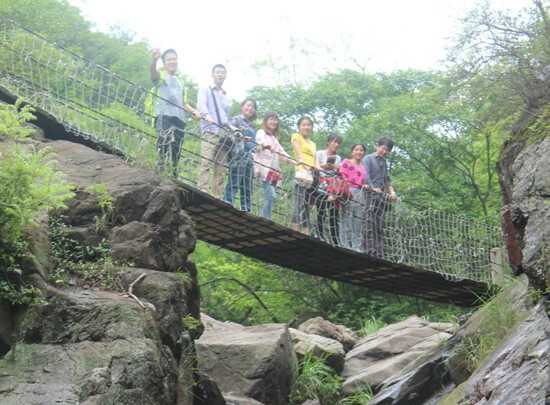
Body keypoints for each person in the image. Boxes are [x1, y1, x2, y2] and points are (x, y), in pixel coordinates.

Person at [149, 48, 201, 175]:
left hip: (179, 119)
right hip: (164, 115)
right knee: (163, 143)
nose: (172, 62)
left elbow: (184, 103)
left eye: (174, 59)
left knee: (176, 148)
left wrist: (194, 112)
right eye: (169, 60)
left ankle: (173, 174)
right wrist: (154, 60)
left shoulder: (180, 82)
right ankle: (159, 171)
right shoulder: (161, 76)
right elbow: (153, 72)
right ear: (164, 62)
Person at [197, 64, 230, 198]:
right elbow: (201, 105)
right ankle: (203, 188)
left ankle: (217, 195)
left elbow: (226, 116)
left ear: (225, 76)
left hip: (223, 133)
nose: (220, 75)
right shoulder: (206, 89)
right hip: (210, 129)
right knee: (206, 160)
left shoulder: (225, 96)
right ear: (212, 74)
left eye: (222, 72)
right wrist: (207, 116)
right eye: (217, 72)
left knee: (221, 166)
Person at [362, 136, 398, 258]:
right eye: (382, 148)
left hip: (380, 199)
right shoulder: (368, 158)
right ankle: (369, 250)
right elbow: (366, 175)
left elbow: (387, 180)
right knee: (369, 223)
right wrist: (373, 188)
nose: (384, 151)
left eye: (387, 150)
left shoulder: (384, 164)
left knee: (379, 225)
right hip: (368, 196)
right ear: (377, 147)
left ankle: (379, 253)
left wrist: (392, 193)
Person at [254, 112, 294, 220]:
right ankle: (264, 219)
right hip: (263, 169)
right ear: (266, 121)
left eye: (275, 120)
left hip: (273, 172)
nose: (273, 122)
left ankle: (267, 218)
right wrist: (266, 145)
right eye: (271, 119)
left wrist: (293, 161)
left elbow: (281, 151)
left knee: (270, 196)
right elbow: (260, 140)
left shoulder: (274, 138)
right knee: (271, 195)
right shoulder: (261, 132)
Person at [224, 98, 258, 212]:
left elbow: (254, 145)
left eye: (252, 107)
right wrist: (240, 137)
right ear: (242, 107)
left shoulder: (251, 126)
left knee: (247, 186)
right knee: (234, 180)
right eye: (248, 105)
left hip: (249, 156)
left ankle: (246, 208)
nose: (250, 108)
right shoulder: (236, 119)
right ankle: (228, 202)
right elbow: (230, 132)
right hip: (238, 153)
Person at [290, 116, 320, 235]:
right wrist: (306, 166)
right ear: (299, 126)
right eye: (303, 125)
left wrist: (317, 168)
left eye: (308, 125)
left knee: (307, 204)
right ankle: (294, 230)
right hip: (302, 172)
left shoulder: (312, 144)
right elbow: (299, 155)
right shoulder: (296, 136)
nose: (306, 127)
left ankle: (305, 231)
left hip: (312, 175)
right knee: (298, 202)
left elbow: (316, 159)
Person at [339, 143, 368, 251]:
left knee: (358, 220)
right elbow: (343, 175)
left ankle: (357, 247)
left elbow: (362, 181)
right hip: (349, 190)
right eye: (356, 150)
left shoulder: (363, 167)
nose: (358, 152)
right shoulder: (347, 162)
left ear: (363, 153)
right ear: (352, 152)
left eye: (361, 150)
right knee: (346, 218)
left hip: (360, 193)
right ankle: (345, 244)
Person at [315, 132, 343, 244]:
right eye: (334, 142)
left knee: (333, 215)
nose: (336, 145)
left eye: (338, 143)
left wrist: (336, 168)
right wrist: (323, 165)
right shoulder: (320, 153)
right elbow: (315, 166)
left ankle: (335, 240)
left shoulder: (338, 158)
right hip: (320, 187)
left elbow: (338, 174)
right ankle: (319, 235)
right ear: (328, 142)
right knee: (321, 212)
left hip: (332, 189)